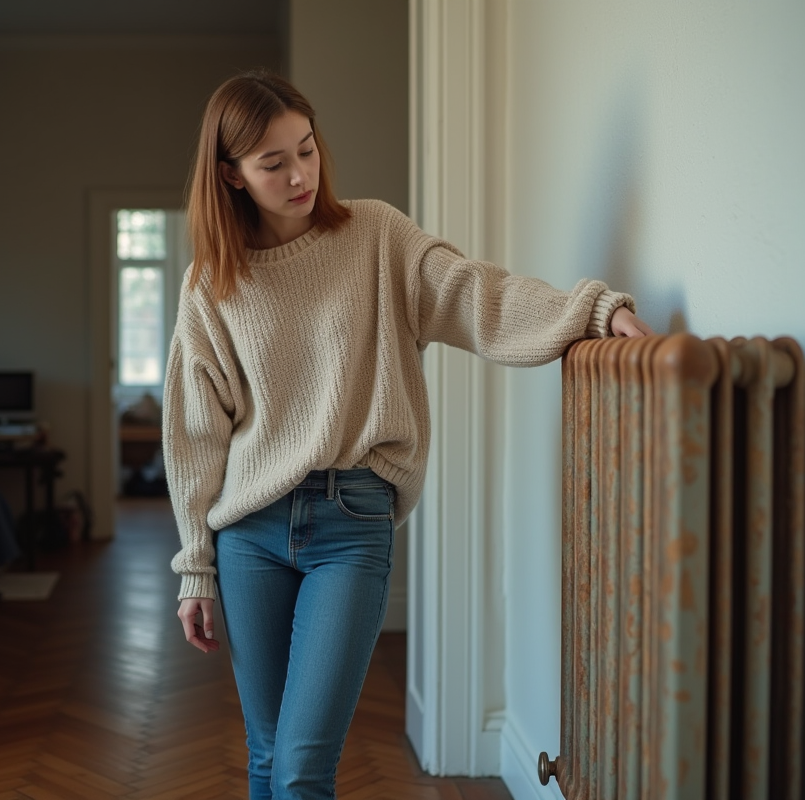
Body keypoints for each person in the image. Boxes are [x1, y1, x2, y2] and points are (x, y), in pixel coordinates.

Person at [163, 70, 653, 800]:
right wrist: (195, 567)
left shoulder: (375, 236)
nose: (300, 174)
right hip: (249, 533)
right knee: (265, 756)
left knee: (301, 766)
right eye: (273, 163)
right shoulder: (212, 282)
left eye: (306, 149)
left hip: (351, 524)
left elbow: (474, 293)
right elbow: (195, 433)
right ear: (231, 175)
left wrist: (590, 311)